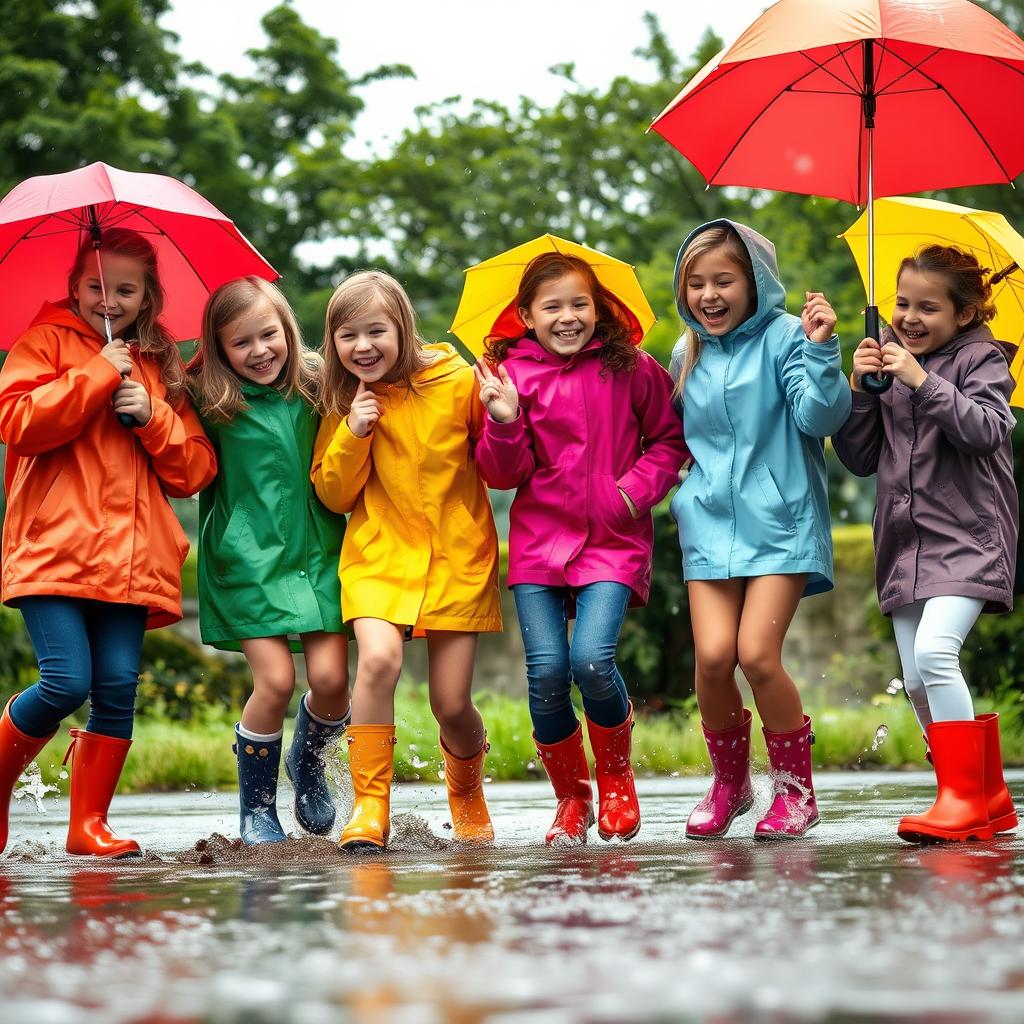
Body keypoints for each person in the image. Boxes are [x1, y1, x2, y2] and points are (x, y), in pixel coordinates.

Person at [0, 228, 216, 857]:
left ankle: (87, 825)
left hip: (129, 557)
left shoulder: (160, 364)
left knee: (117, 685)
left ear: (148, 296)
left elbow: (194, 470)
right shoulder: (44, 342)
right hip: (53, 548)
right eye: (98, 286)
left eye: (126, 289)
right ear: (75, 286)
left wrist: (152, 416)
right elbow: (17, 422)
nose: (110, 300)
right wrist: (95, 375)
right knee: (66, 682)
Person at [475, 251, 687, 846]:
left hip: (612, 540)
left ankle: (617, 775)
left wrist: (629, 495)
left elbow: (670, 442)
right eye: (552, 307)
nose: (567, 317)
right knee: (545, 673)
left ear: (599, 309)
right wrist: (504, 419)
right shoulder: (508, 376)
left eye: (579, 304)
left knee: (592, 660)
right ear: (526, 315)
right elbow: (500, 472)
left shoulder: (634, 369)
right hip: (541, 544)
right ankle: (572, 798)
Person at [670, 220, 850, 840]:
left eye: (724, 280)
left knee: (756, 655)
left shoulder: (787, 339)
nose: (709, 295)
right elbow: (671, 440)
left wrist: (823, 350)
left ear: (755, 282)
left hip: (781, 523)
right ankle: (731, 785)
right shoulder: (683, 354)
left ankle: (796, 791)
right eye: (696, 283)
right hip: (708, 524)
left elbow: (820, 415)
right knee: (714, 660)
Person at [311, 271, 502, 852]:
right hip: (378, 558)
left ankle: (466, 792)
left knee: (451, 704)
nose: (362, 346)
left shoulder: (459, 380)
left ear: (403, 327)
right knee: (378, 662)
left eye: (376, 331)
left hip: (456, 558)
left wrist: (501, 416)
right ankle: (371, 808)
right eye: (347, 335)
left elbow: (497, 465)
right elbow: (333, 493)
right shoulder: (345, 401)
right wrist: (354, 433)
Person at [834, 244, 1018, 843]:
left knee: (937, 655)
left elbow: (988, 431)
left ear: (964, 315)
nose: (910, 318)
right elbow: (860, 458)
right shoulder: (890, 359)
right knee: (915, 679)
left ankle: (960, 798)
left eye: (928, 308)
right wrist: (864, 386)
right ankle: (985, 794)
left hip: (969, 539)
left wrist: (921, 382)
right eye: (902, 303)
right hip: (906, 545)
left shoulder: (980, 357)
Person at [189, 276, 350, 846]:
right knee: (277, 680)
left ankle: (305, 763)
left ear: (288, 329)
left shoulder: (318, 383)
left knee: (332, 681)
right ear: (218, 349)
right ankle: (256, 809)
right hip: (249, 562)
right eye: (241, 342)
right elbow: (168, 442)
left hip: (320, 556)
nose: (259, 351)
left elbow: (383, 369)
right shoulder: (208, 399)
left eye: (269, 335)